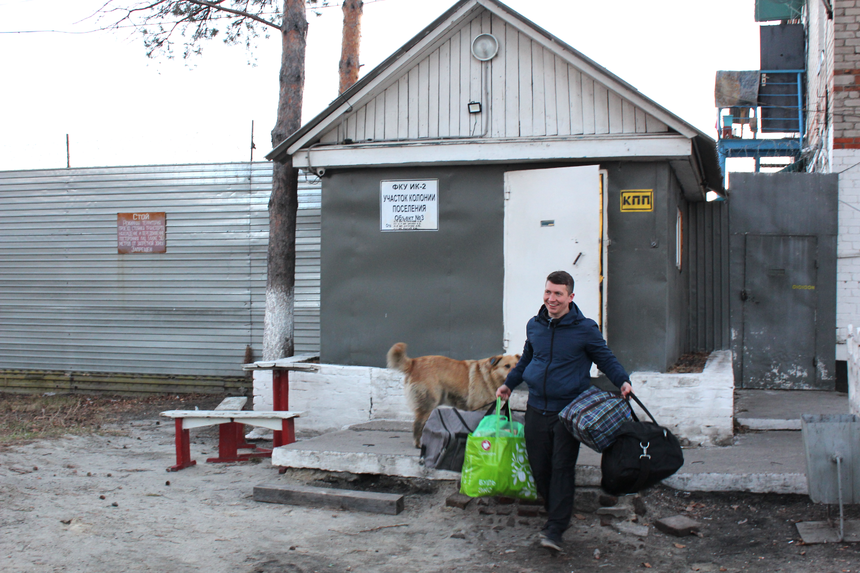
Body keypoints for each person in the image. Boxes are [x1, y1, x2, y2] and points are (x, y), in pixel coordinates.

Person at [496, 270, 632, 553]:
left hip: (568, 412)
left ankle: (556, 528)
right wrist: (509, 384)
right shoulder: (535, 325)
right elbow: (527, 360)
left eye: (558, 293)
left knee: (561, 468)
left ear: (570, 297)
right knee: (540, 467)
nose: (551, 298)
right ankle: (554, 513)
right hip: (536, 407)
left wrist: (623, 381)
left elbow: (605, 359)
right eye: (548, 292)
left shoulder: (585, 329)